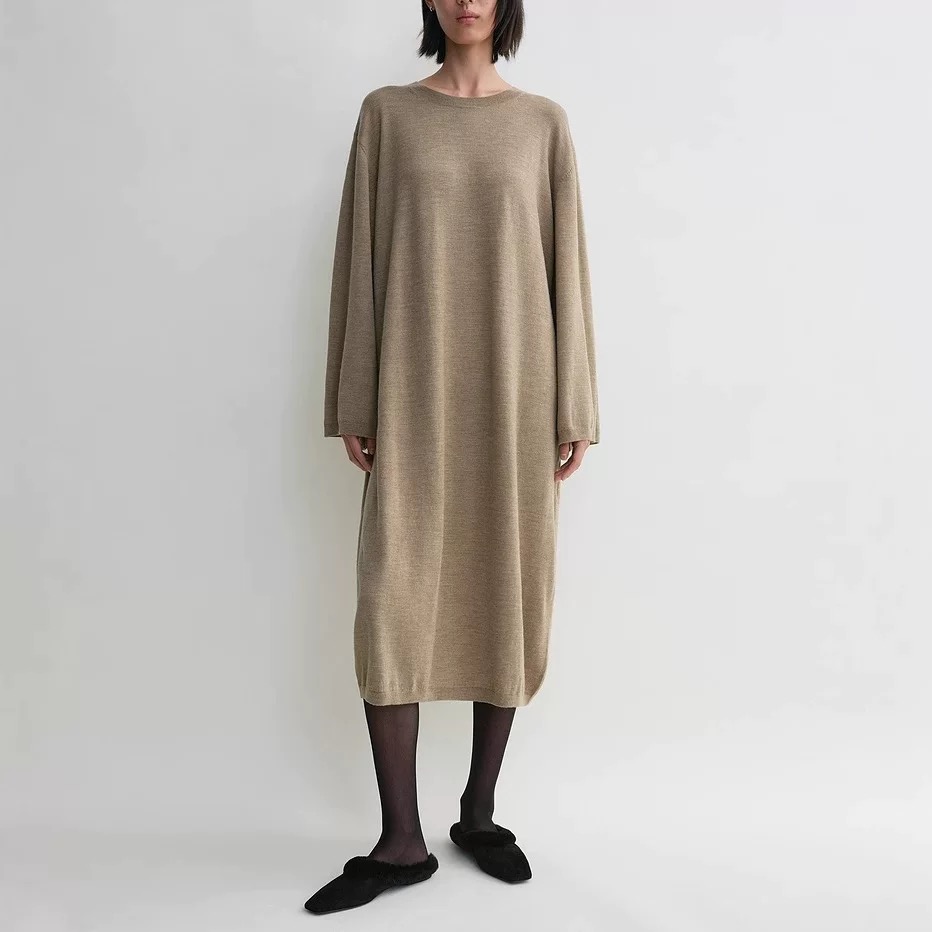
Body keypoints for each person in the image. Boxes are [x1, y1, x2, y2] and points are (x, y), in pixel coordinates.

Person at [306, 0, 600, 914]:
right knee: (392, 600)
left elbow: (567, 267)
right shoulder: (388, 115)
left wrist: (574, 404)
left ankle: (478, 813)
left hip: (515, 394)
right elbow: (359, 258)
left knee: (503, 591)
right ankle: (400, 842)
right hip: (412, 389)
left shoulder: (542, 124)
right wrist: (354, 397)